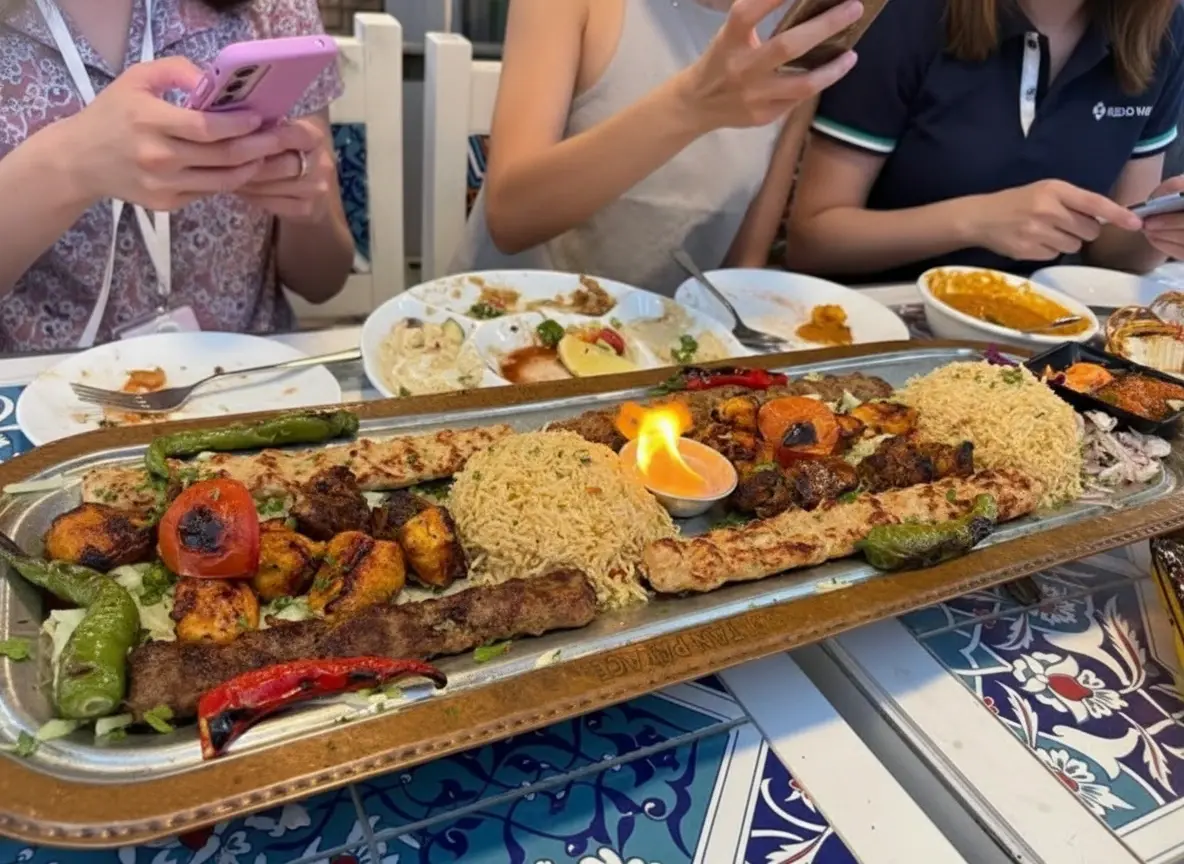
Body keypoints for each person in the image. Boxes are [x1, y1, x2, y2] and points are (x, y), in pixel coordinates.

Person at [0, 0, 355, 352]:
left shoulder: (273, 9)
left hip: (247, 369)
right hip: (38, 378)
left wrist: (308, 205)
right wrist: (70, 165)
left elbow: (323, 281)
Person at [450, 0, 864, 296]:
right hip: (504, 328)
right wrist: (691, 104)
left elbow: (743, 269)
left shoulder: (799, 28)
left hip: (669, 350)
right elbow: (511, 218)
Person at [784, 0, 1184, 283]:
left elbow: (1115, 256)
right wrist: (974, 221)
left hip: (1033, 332)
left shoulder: (1164, 28)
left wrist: (1163, 226)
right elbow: (813, 242)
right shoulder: (904, 13)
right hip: (867, 317)